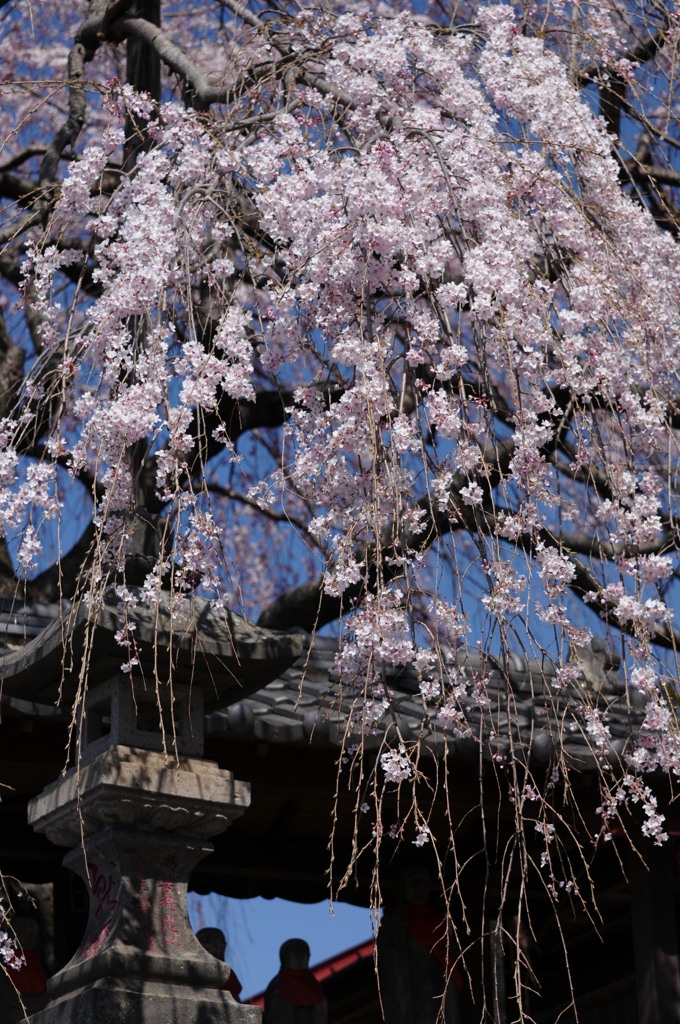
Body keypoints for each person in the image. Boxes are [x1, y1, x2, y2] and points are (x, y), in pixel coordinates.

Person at [377, 866, 464, 1024]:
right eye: (414, 883)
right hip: (409, 990)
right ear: (403, 888)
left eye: (424, 883)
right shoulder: (393, 921)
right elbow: (386, 959)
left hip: (437, 988)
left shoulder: (439, 921)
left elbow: (451, 958)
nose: (420, 889)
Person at [263, 938, 328, 1024]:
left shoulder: (314, 987)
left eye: (304, 953)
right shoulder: (278, 986)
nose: (300, 957)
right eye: (295, 953)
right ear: (285, 957)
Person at [196, 926, 243, 1000]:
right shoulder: (195, 970)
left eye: (207, 941)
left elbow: (235, 989)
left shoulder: (225, 971)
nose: (204, 947)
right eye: (204, 942)